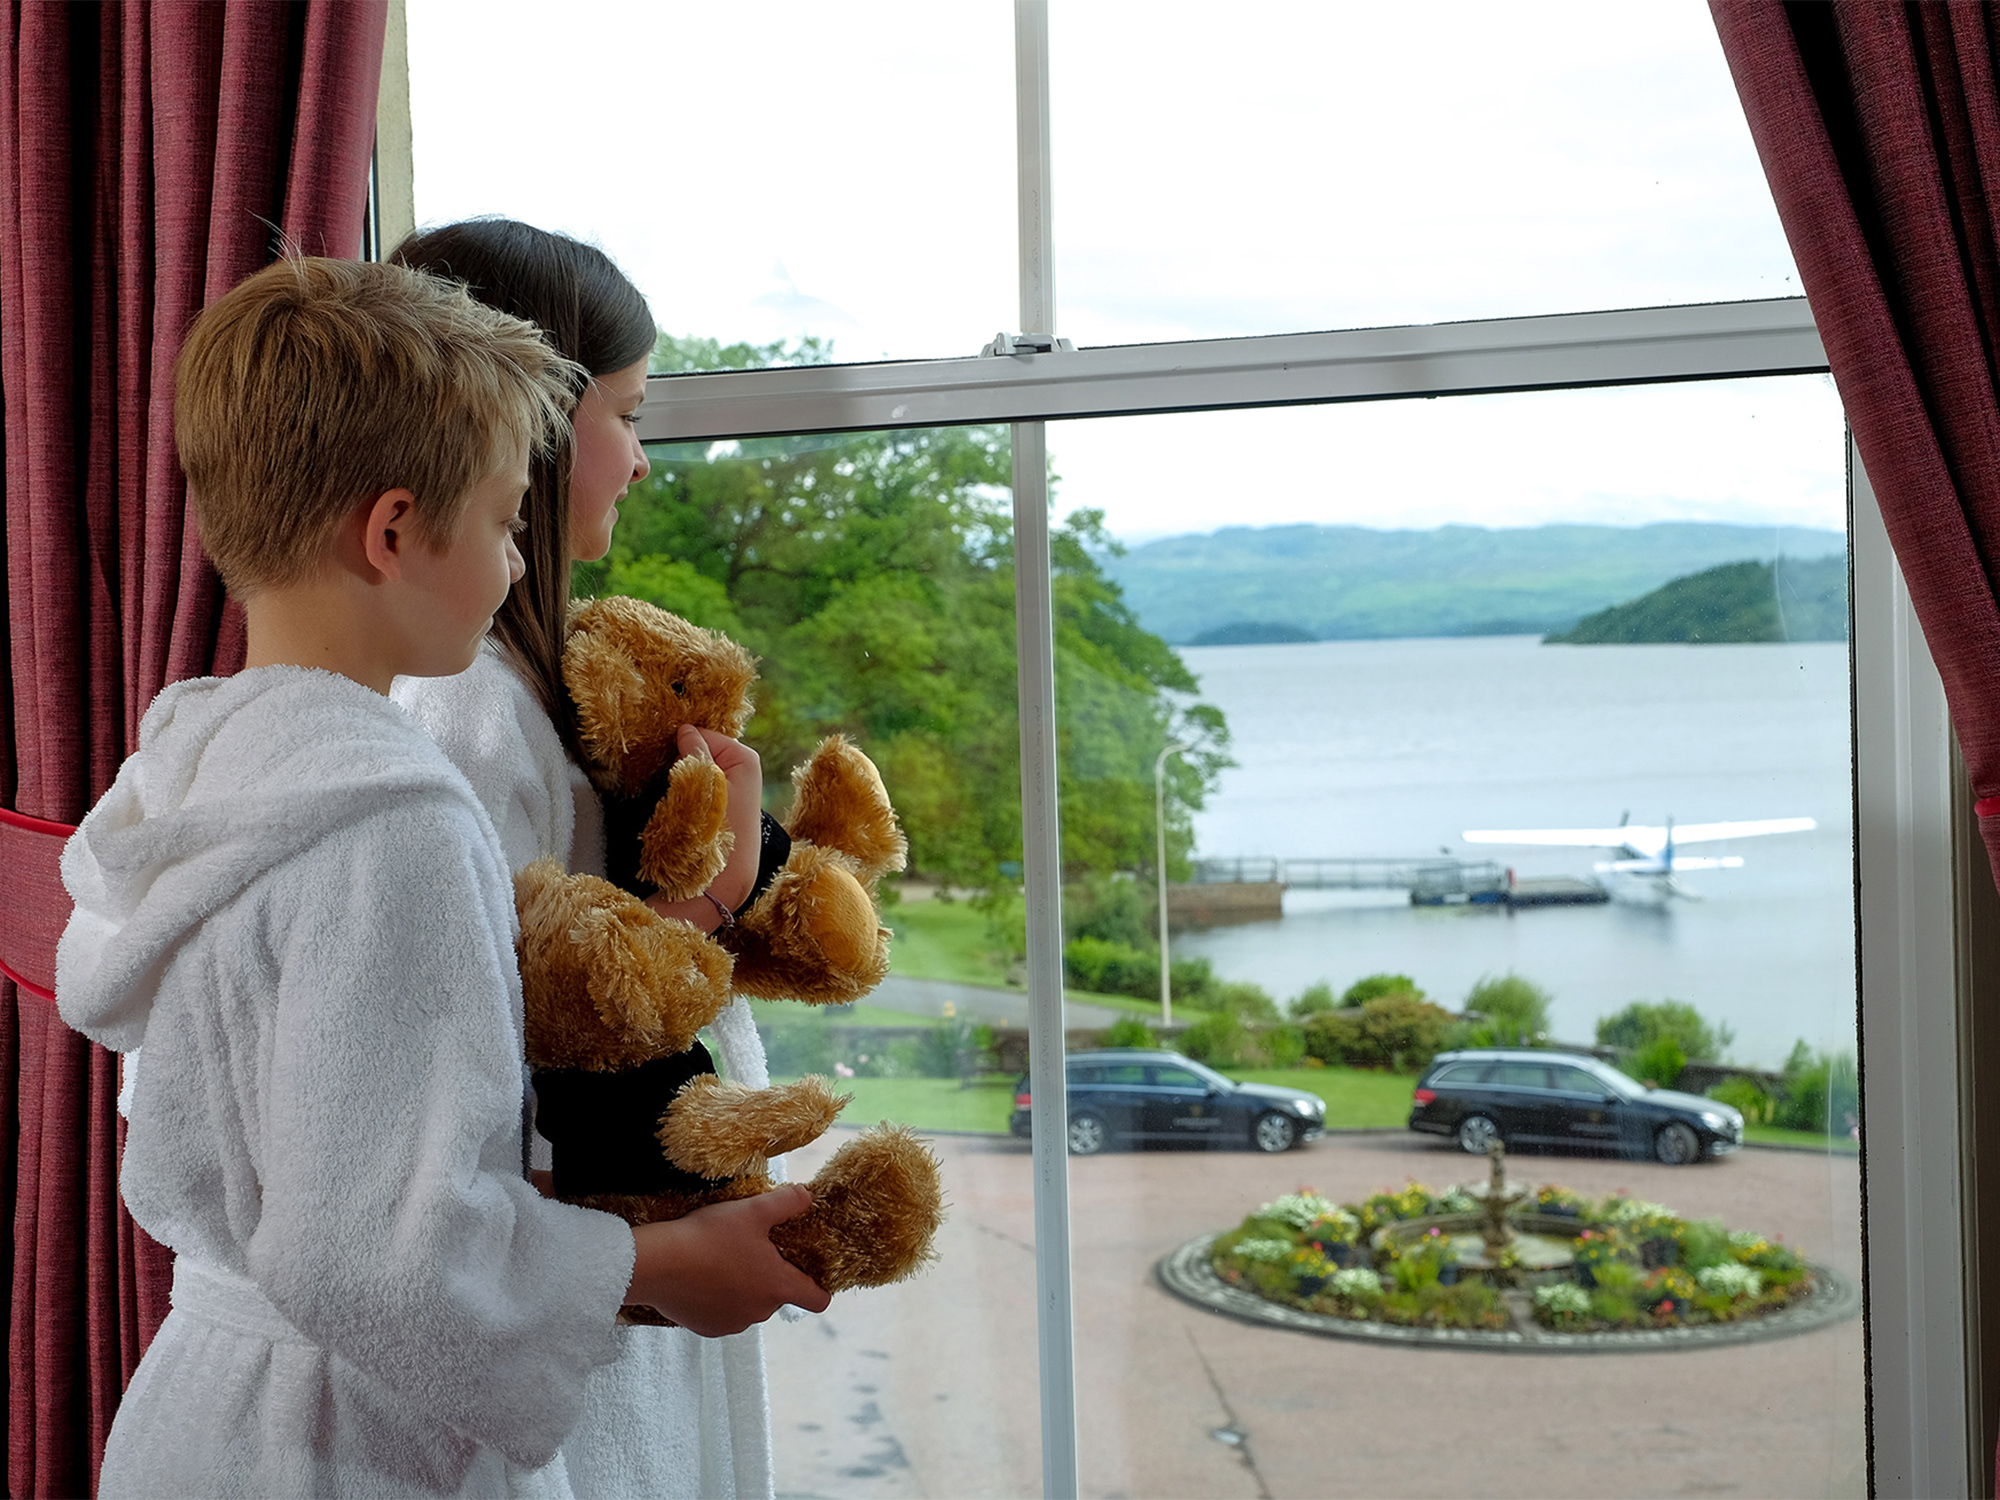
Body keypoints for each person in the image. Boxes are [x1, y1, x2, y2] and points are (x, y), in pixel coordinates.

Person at [55, 256, 828, 1500]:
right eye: (494, 519)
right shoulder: (392, 819)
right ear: (397, 531)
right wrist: (672, 1268)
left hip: (203, 1407)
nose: (520, 567)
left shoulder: (195, 765)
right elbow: (381, 1257)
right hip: (348, 1439)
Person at [388, 220, 781, 1499]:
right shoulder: (465, 713)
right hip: (586, 1254)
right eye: (629, 410)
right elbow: (514, 1041)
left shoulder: (539, 684)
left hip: (634, 1234)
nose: (645, 458)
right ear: (539, 426)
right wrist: (707, 899)